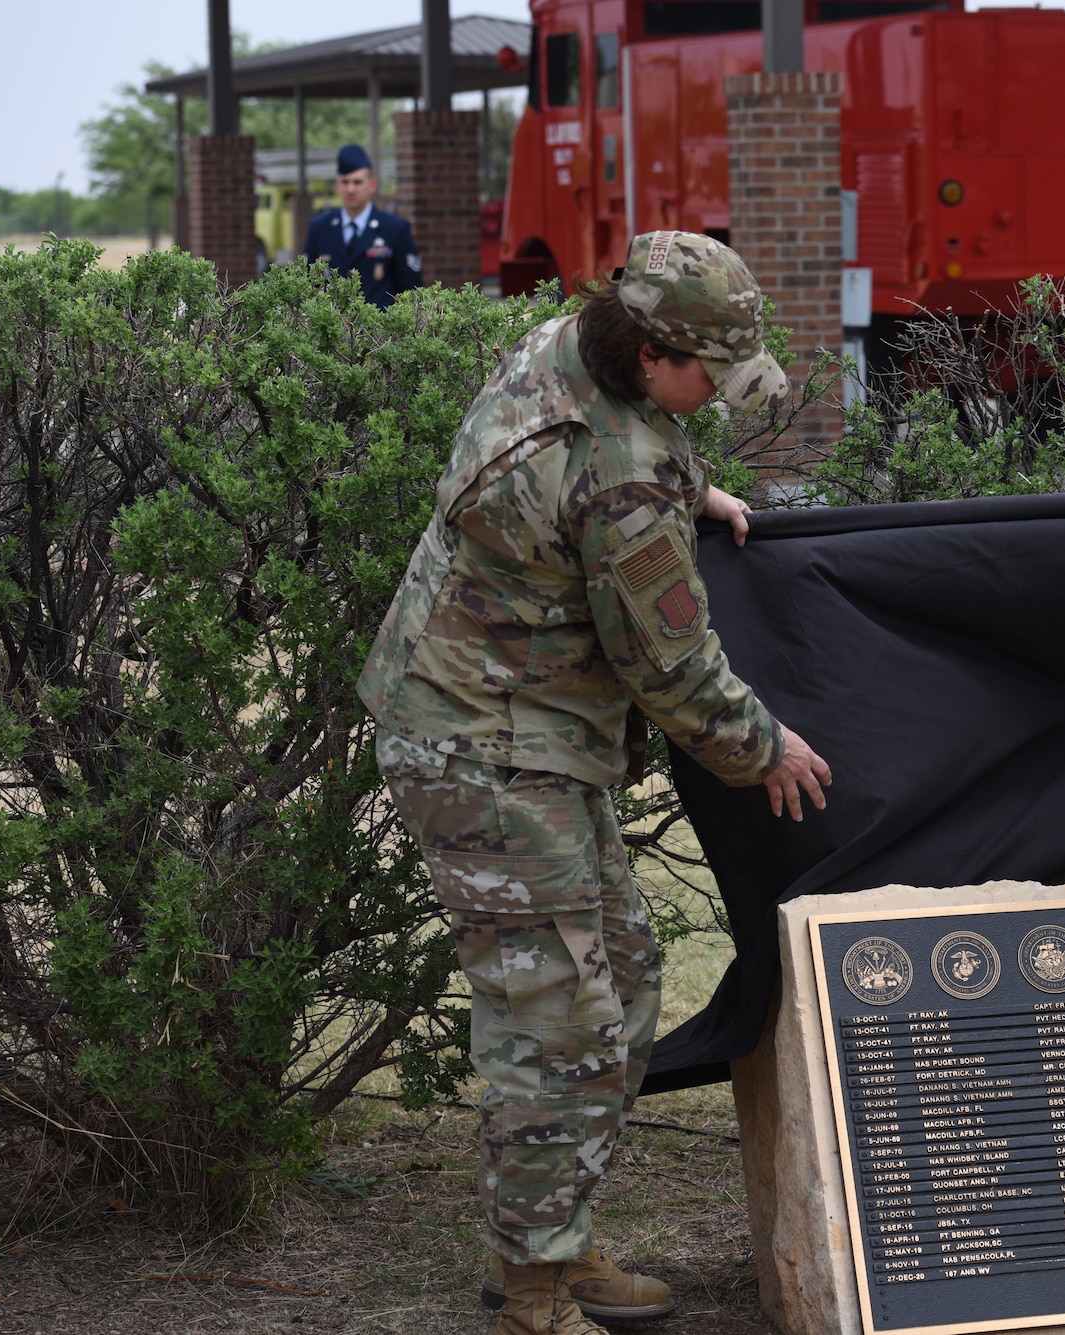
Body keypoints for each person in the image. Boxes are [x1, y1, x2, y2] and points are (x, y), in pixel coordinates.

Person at [358, 231, 833, 1335]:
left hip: (519, 729)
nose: (713, 396)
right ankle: (531, 1292)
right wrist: (766, 748)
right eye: (707, 375)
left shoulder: (566, 347)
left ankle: (555, 1242)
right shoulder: (621, 478)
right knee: (561, 1021)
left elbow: (619, 450)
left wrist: (692, 488)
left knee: (620, 983)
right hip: (480, 744)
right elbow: (667, 664)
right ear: (652, 348)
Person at [303, 144, 423, 308]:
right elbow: (308, 285)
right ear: (337, 185)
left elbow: (412, 290)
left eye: (357, 182)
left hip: (379, 329)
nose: (351, 189)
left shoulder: (395, 229)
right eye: (345, 182)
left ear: (372, 185)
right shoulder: (319, 228)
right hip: (333, 329)